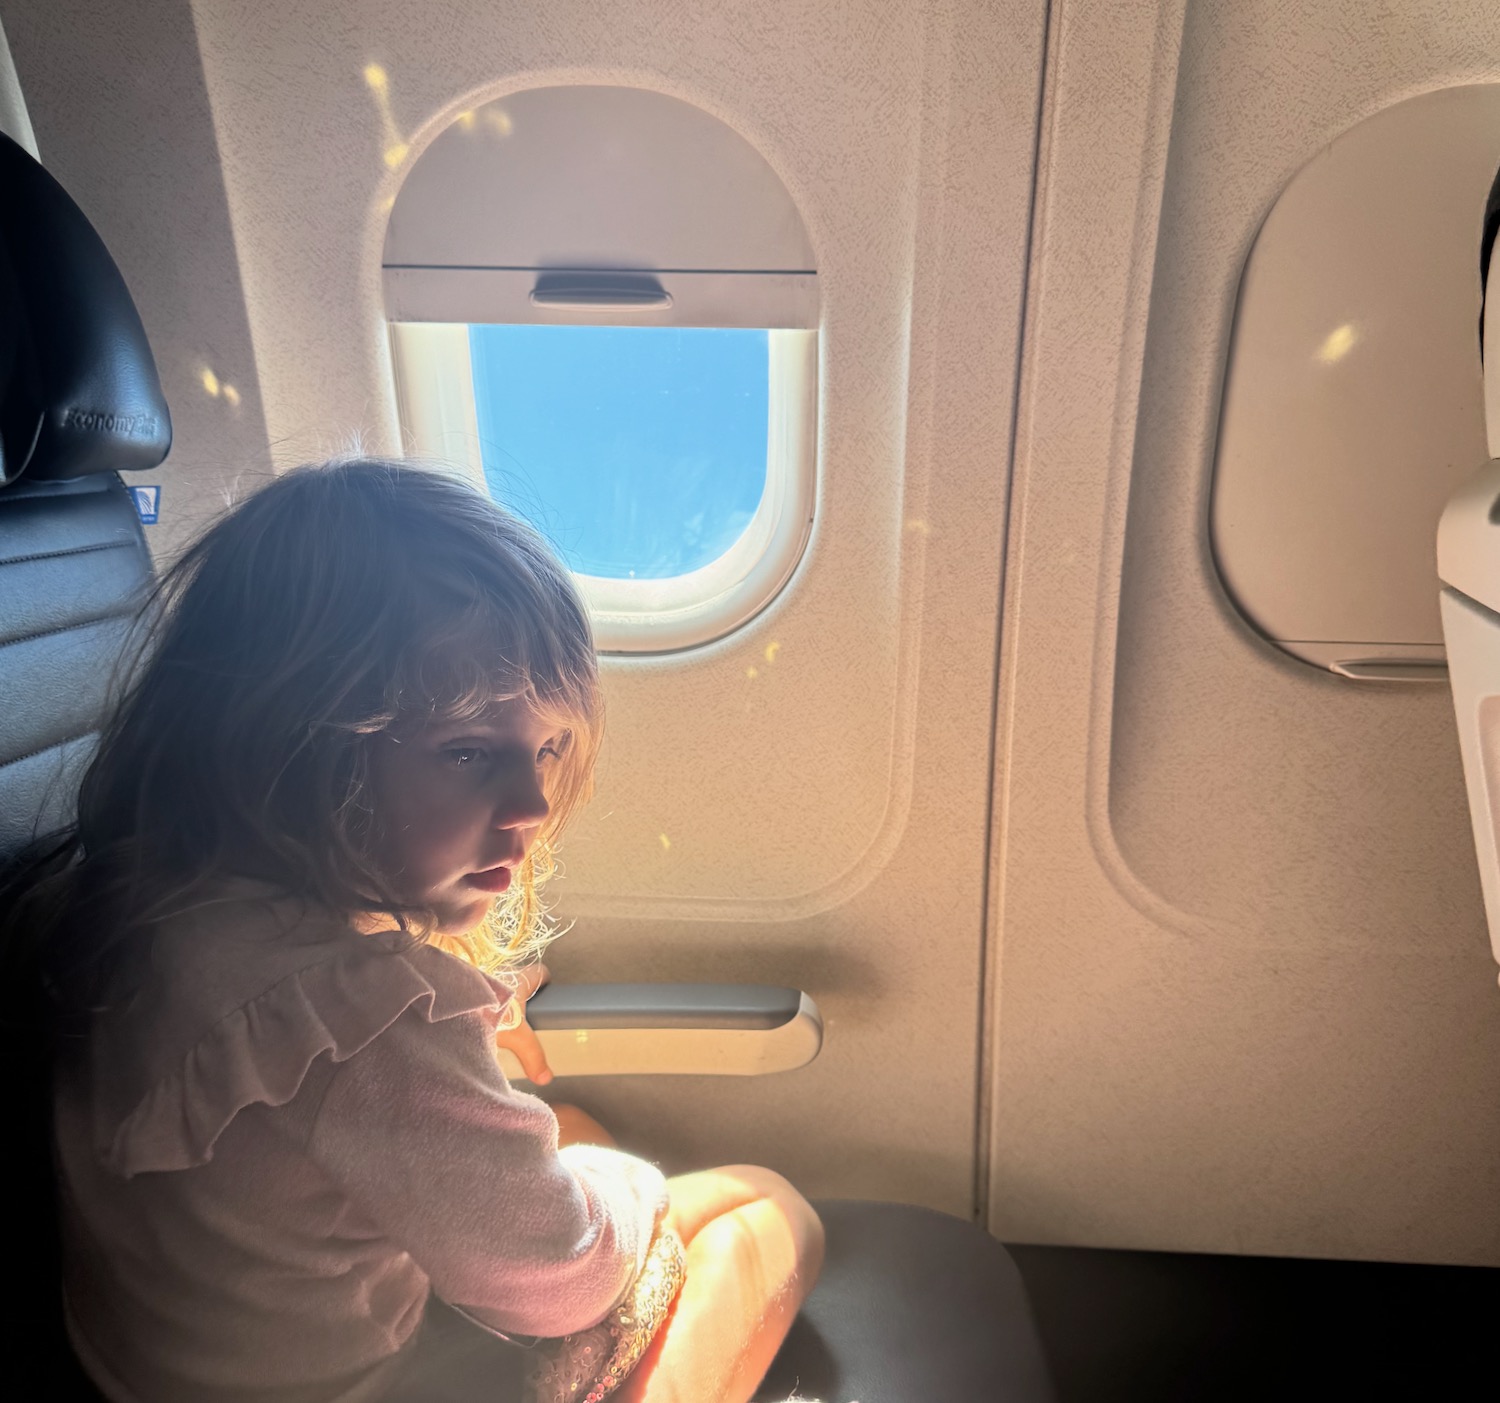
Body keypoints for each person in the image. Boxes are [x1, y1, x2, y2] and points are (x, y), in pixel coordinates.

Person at [1, 458, 824, 1403]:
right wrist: (634, 1189)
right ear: (289, 743)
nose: (531, 800)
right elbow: (565, 1278)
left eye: (548, 746)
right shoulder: (371, 1024)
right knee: (766, 1207)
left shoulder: (133, 907)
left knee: (573, 1135)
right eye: (468, 750)